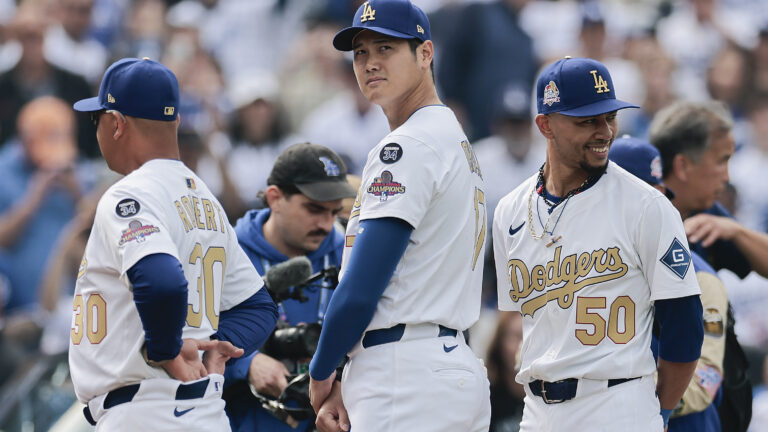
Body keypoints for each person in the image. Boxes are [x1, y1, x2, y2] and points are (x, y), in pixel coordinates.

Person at [492, 56, 703, 431]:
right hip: (538, 412)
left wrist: (661, 411)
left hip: (616, 403)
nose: (604, 131)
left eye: (609, 117)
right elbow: (522, 320)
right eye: (587, 120)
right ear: (545, 125)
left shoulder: (647, 205)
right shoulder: (509, 211)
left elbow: (685, 329)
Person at [308, 1, 491, 431]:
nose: (370, 63)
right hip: (448, 364)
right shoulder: (453, 140)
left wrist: (321, 371)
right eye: (360, 53)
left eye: (385, 48)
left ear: (425, 54)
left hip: (404, 375)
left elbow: (361, 287)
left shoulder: (408, 146)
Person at [67, 57, 278, 431]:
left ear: (116, 124)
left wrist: (169, 353)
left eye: (96, 118)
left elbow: (161, 281)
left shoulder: (130, 193)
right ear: (176, 121)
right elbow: (258, 308)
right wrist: (216, 348)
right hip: (205, 414)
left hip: (144, 411)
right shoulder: (205, 198)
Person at [224, 142, 357, 432]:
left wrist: (342, 380)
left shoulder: (349, 253)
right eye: (314, 209)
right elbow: (192, 339)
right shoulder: (228, 252)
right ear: (275, 197)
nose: (325, 224)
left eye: (334, 212)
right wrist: (247, 364)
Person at [650, 100, 763, 432]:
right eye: (721, 161)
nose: (727, 176)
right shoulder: (640, 219)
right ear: (683, 166)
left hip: (708, 412)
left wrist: (737, 231)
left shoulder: (709, 217)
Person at [610, 136, 729, 432]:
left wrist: (628, 398)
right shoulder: (586, 269)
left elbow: (706, 381)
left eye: (659, 195)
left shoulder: (702, 277)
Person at [486, 311, 525, 432]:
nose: (522, 347)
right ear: (499, 342)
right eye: (515, 337)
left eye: (528, 338)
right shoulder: (487, 399)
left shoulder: (552, 398)